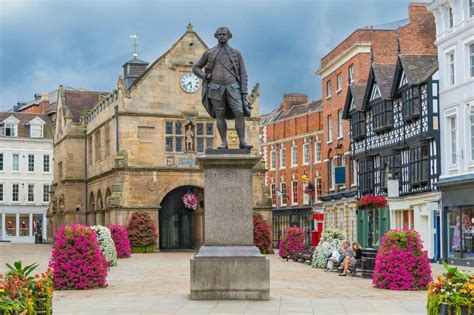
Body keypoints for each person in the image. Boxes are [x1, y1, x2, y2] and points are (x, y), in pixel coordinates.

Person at [193, 26, 252, 150]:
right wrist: (204, 75)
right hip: (215, 87)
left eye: (224, 34)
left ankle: (242, 141)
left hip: (233, 87)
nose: (222, 36)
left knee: (239, 112)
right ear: (216, 36)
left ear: (229, 36)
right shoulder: (209, 53)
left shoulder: (236, 53)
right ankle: (224, 142)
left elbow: (243, 73)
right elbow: (196, 68)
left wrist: (244, 91)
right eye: (219, 34)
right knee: (219, 115)